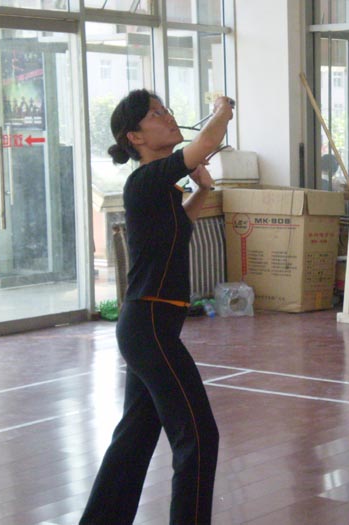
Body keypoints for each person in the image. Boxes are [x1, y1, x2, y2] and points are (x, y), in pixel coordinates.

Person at [80, 89, 233, 525]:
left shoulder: (160, 189)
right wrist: (222, 110)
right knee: (198, 436)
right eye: (155, 114)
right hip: (147, 325)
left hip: (151, 325)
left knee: (135, 438)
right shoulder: (145, 180)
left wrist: (202, 190)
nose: (167, 116)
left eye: (166, 109)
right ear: (135, 137)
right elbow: (206, 142)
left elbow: (180, 226)